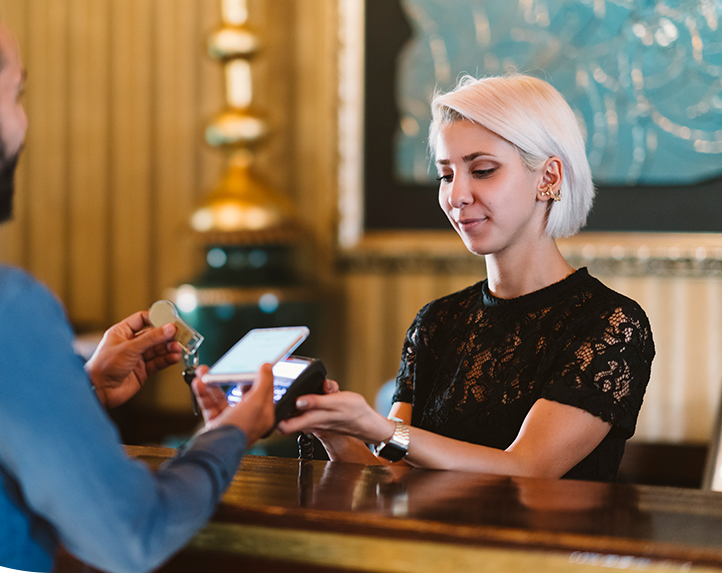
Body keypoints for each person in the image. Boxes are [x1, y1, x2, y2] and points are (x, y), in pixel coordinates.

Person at [0, 1, 275, 574]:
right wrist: (227, 434)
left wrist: (80, 390)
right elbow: (132, 537)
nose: (23, 122)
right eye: (16, 96)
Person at [279, 74, 655, 482]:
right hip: (434, 546)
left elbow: (528, 469)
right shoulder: (436, 321)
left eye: (482, 170)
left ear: (548, 179)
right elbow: (393, 477)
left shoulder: (610, 323)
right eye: (446, 174)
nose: (456, 196)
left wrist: (383, 429)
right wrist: (335, 430)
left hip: (545, 547)